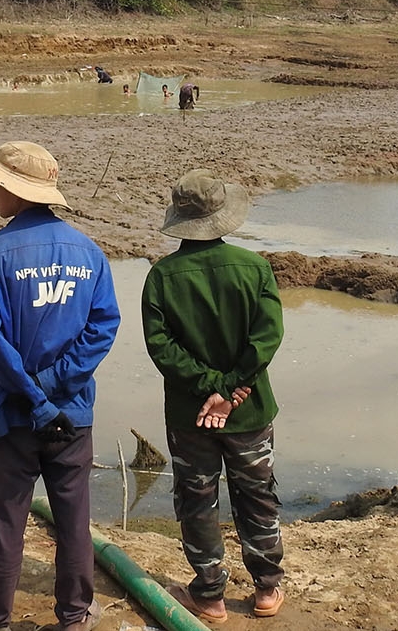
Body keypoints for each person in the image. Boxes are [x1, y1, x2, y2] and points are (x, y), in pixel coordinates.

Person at [0, 141, 120, 631]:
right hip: (72, 415)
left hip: (10, 413)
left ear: (14, 190)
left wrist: (32, 393)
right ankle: (74, 620)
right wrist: (53, 391)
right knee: (73, 523)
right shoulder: (88, 253)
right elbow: (103, 327)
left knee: (6, 524)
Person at [141, 168, 286, 623]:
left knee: (197, 498)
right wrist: (232, 389)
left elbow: (160, 347)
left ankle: (209, 595)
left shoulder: (161, 277)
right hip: (249, 410)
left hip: (191, 415)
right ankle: (266, 589)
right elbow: (268, 337)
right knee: (257, 495)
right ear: (222, 215)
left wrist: (209, 389)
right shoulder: (255, 266)